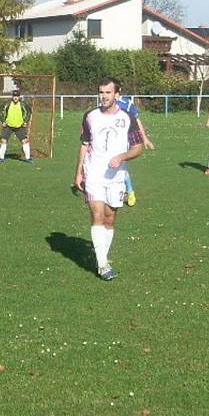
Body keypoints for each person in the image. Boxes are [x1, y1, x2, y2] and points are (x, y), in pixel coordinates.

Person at [73, 77, 144, 281]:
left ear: (117, 94)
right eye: (101, 92)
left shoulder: (128, 118)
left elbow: (138, 148)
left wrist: (122, 157)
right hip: (94, 171)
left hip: (117, 175)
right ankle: (103, 264)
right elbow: (85, 145)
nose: (103, 96)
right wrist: (79, 172)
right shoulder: (90, 116)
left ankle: (102, 256)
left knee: (109, 218)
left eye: (108, 92)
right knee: (97, 215)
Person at [115, 90, 156, 206]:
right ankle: (123, 191)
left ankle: (129, 191)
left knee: (120, 166)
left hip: (125, 140)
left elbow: (137, 122)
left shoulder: (127, 104)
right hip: (110, 140)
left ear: (118, 92)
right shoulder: (105, 104)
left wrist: (145, 139)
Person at [0, 89, 33, 162]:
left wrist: (26, 121)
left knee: (25, 141)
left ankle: (28, 158)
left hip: (19, 127)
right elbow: (0, 111)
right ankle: (1, 158)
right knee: (3, 141)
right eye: (14, 96)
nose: (15, 98)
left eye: (17, 96)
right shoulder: (7, 104)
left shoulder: (23, 104)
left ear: (19, 97)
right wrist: (3, 121)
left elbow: (29, 113)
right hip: (8, 126)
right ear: (12, 97)